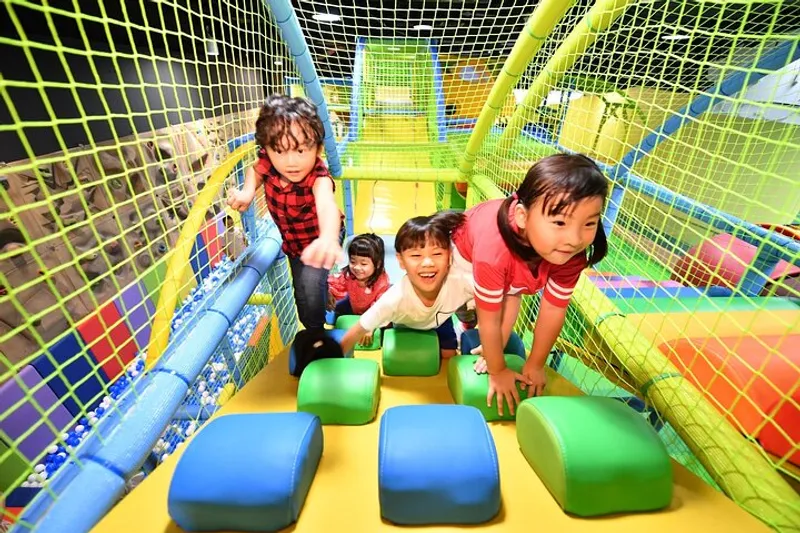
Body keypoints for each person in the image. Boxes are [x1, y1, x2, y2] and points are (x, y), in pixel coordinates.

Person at [450, 153, 609, 416]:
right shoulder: (494, 251)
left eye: (589, 223)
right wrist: (497, 370)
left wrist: (536, 364)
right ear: (523, 217)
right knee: (465, 305)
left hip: (517, 258)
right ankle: (465, 326)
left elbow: (554, 309)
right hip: (464, 256)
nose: (574, 238)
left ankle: (487, 338)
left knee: (510, 295)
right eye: (560, 222)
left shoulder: (571, 254)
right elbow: (489, 319)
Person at [227, 95, 342, 331]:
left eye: (301, 150)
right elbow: (256, 171)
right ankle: (323, 294)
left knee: (309, 286)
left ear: (318, 149)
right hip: (294, 244)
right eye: (279, 151)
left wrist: (329, 238)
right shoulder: (269, 162)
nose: (291, 162)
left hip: (321, 239)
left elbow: (326, 205)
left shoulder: (318, 177)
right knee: (302, 291)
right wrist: (247, 192)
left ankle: (316, 331)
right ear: (267, 149)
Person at [338, 212, 472, 358]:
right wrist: (333, 356)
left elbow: (489, 298)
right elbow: (358, 329)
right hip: (405, 324)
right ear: (401, 261)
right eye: (416, 256)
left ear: (450, 256)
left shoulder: (460, 282)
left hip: (440, 320)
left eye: (437, 254)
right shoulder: (395, 298)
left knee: (448, 354)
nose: (428, 263)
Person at [328, 233, 391, 345]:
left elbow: (381, 307)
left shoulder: (381, 282)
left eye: (363, 263)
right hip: (356, 307)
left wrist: (371, 325)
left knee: (388, 322)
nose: (357, 267)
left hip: (375, 310)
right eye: (353, 262)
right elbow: (336, 284)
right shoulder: (349, 274)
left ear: (377, 264)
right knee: (337, 310)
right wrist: (329, 293)